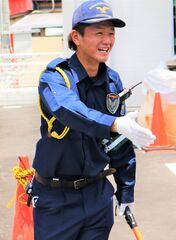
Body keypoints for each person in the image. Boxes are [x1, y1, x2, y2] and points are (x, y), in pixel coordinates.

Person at [31, 0, 156, 239]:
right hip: (56, 199)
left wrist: (126, 190)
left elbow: (118, 143)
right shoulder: (55, 78)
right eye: (98, 33)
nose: (107, 40)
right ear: (76, 37)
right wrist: (115, 123)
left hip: (98, 195)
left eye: (111, 33)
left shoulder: (112, 82)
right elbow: (70, 110)